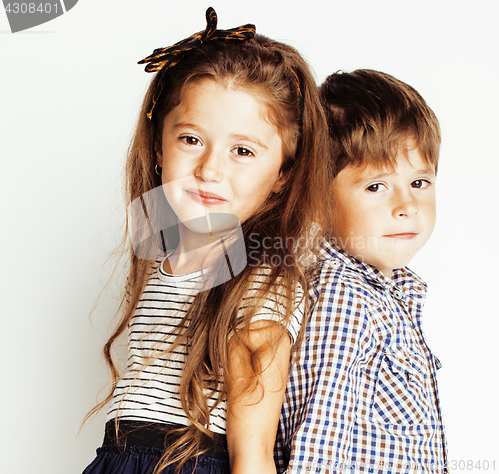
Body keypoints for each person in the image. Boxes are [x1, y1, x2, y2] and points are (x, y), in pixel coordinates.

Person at [82, 7, 331, 474]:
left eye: (243, 150)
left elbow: (251, 452)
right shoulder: (161, 249)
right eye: (191, 139)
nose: (210, 169)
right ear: (158, 147)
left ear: (283, 173)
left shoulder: (261, 284)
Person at [275, 69, 448, 473]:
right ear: (318, 197)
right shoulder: (343, 298)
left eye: (420, 182)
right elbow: (320, 440)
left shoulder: (388, 294)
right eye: (376, 186)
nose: (407, 205)